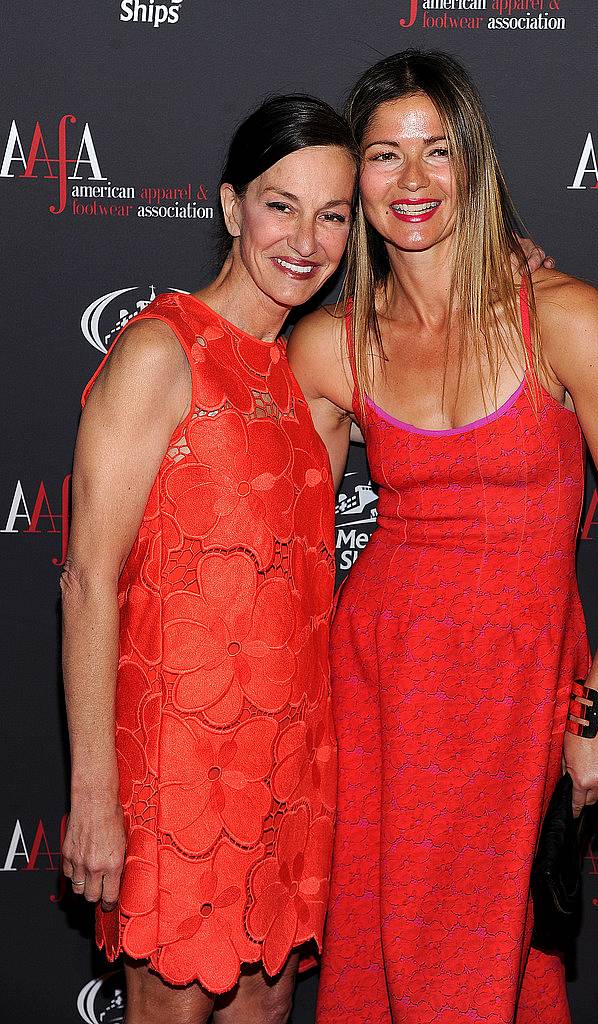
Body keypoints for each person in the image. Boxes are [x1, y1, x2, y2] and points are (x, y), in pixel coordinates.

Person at [287, 50, 598, 1024]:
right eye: (385, 156)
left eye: (438, 151)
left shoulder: (562, 316)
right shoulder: (329, 343)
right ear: (354, 178)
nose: (413, 181)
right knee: (380, 972)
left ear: (477, 165)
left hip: (514, 697)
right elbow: (280, 534)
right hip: (380, 684)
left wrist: (593, 714)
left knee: (475, 975)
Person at [60, 95, 357, 1024]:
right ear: (231, 207)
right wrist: (95, 795)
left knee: (266, 1012)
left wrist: (514, 262)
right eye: (281, 205)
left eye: (334, 214)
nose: (305, 238)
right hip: (177, 774)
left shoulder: (311, 368)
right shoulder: (161, 352)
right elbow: (86, 582)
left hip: (287, 767)